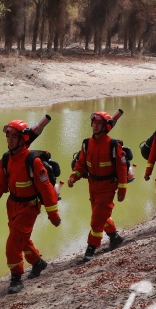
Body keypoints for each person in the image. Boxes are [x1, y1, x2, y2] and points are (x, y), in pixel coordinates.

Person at [0, 119, 61, 294]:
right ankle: (38, 263)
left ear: (23, 139)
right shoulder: (6, 159)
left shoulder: (33, 161)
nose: (9, 140)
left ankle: (16, 277)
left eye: (13, 137)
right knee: (21, 240)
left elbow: (46, 188)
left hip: (29, 207)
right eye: (8, 136)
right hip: (13, 204)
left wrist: (53, 213)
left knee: (13, 245)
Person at [67, 111, 127, 263]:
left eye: (99, 123)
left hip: (108, 186)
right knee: (100, 215)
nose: (95, 126)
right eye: (93, 123)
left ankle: (90, 250)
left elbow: (121, 168)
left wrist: (122, 189)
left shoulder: (113, 145)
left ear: (105, 126)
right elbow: (81, 163)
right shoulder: (87, 143)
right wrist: (74, 176)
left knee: (96, 220)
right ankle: (115, 238)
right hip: (93, 185)